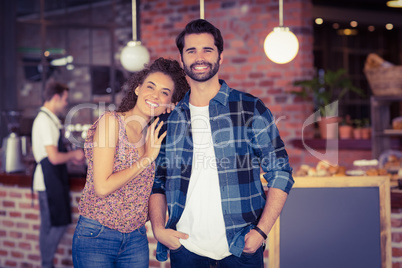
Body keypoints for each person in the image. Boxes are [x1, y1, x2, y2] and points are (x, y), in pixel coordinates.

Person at [149, 19, 294, 267]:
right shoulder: (169, 118)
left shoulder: (250, 108)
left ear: (221, 56)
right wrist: (159, 228)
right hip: (185, 248)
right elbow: (157, 182)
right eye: (191, 50)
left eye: (208, 49)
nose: (199, 57)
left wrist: (261, 231)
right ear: (182, 58)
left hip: (241, 246)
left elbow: (280, 172)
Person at [72, 57, 189, 268]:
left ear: (169, 104)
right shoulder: (111, 122)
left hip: (136, 238)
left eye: (164, 92)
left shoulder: (153, 135)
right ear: (137, 89)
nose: (155, 95)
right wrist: (145, 159)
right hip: (97, 234)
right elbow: (102, 186)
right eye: (150, 87)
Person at [32, 81, 85, 268]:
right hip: (48, 181)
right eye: (64, 99)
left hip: (50, 179)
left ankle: (46, 264)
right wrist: (75, 154)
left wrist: (70, 159)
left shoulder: (49, 119)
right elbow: (53, 158)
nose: (65, 103)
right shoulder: (45, 121)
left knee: (48, 225)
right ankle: (47, 264)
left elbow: (53, 155)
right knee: (58, 224)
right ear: (55, 98)